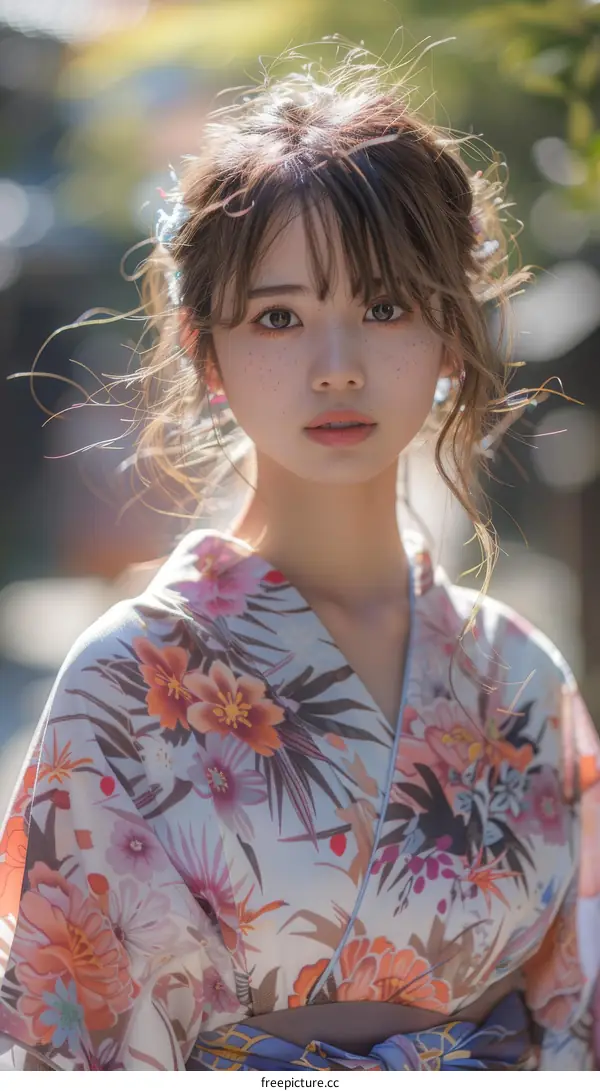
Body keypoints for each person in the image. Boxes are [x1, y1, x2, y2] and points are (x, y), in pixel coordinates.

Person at [0, 40, 599, 1072]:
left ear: (451, 336)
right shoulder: (127, 679)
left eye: (384, 307)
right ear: (207, 350)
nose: (336, 367)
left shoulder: (519, 673)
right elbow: (67, 1044)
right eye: (280, 315)